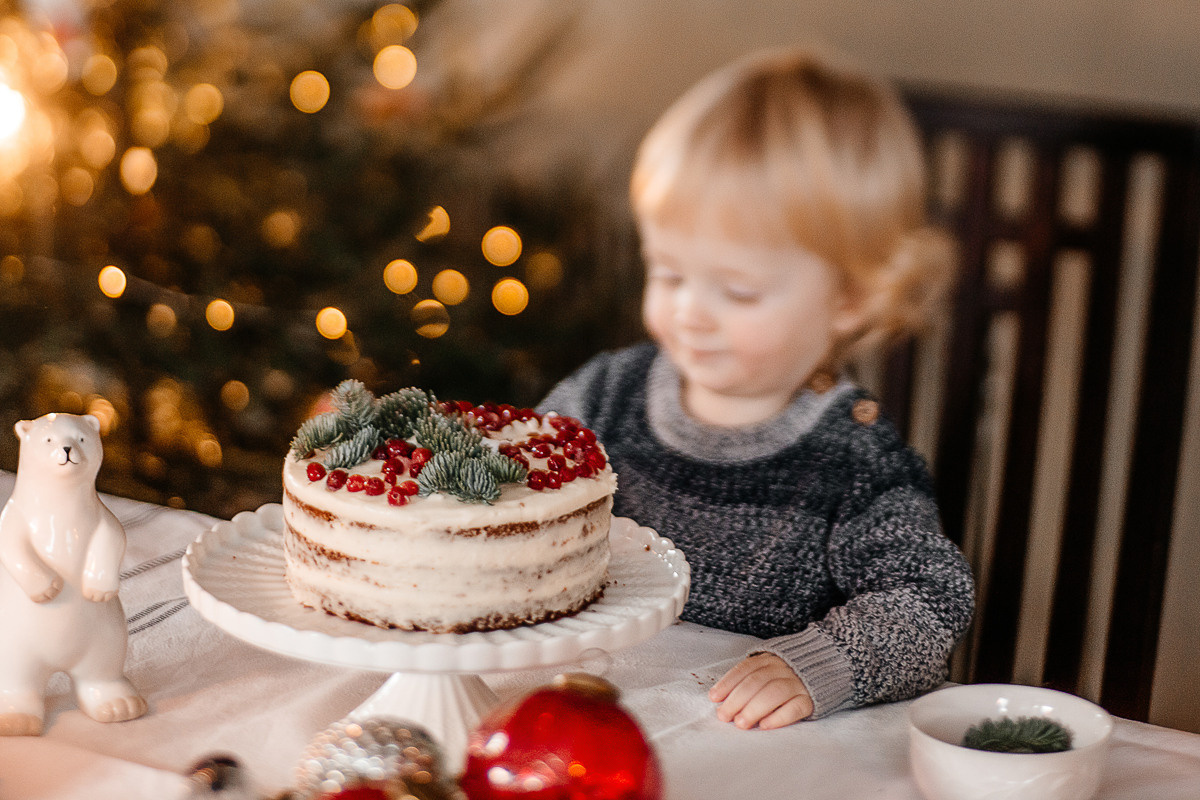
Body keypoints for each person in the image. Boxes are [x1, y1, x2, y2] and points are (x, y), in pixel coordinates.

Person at [538, 48, 975, 730]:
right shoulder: (604, 395)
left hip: (743, 744)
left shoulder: (854, 458)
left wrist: (823, 663)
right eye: (669, 274)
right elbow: (514, 488)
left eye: (737, 290)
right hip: (578, 715)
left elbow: (927, 601)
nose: (689, 312)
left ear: (850, 299)